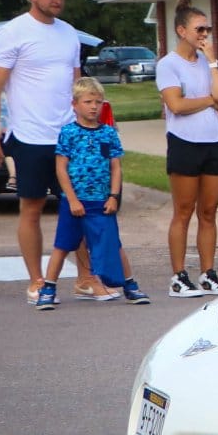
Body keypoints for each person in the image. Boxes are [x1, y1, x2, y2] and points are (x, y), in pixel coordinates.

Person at [0, 0, 91, 306]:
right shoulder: (13, 33)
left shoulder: (70, 34)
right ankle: (36, 279)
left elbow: (78, 85)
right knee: (31, 207)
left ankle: (86, 278)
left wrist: (86, 127)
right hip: (29, 135)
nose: (57, 0)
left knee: (80, 207)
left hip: (67, 135)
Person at [39, 77, 149, 307]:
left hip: (101, 202)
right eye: (88, 101)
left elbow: (115, 167)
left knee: (113, 243)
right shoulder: (69, 133)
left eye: (98, 102)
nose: (93, 106)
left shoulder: (107, 134)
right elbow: (61, 167)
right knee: (63, 245)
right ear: (75, 104)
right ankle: (48, 288)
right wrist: (71, 199)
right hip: (75, 202)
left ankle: (130, 284)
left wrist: (114, 196)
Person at [155, 1, 218, 298]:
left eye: (208, 29)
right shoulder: (168, 64)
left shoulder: (206, 62)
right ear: (181, 30)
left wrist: (212, 63)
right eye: (199, 29)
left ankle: (208, 273)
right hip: (184, 142)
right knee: (183, 211)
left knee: (209, 211)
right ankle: (178, 276)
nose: (204, 34)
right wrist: (208, 100)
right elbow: (176, 105)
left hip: (213, 141)